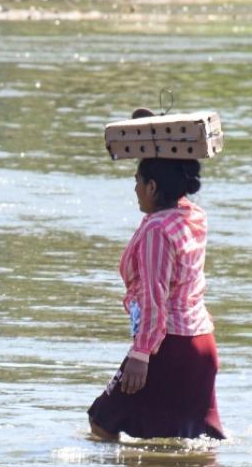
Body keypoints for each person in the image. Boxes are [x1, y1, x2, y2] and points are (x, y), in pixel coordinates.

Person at [87, 114, 225, 441]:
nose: (134, 188)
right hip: (202, 344)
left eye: (138, 180)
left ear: (152, 186)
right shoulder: (192, 217)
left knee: (102, 421)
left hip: (169, 345)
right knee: (191, 442)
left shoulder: (156, 232)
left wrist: (140, 355)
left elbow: (154, 298)